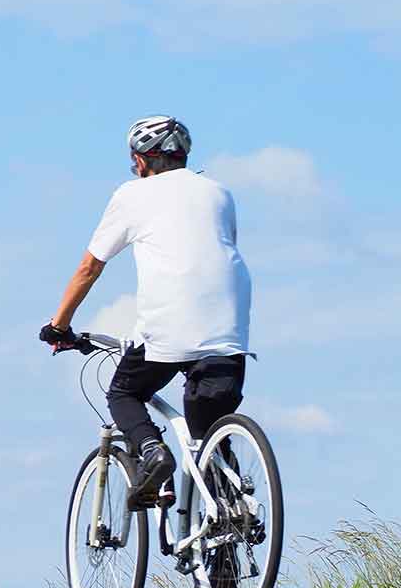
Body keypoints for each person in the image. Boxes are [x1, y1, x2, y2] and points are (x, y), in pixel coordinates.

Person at [42, 116, 252, 510]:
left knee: (125, 391)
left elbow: (90, 268)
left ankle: (154, 451)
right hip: (229, 329)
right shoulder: (220, 193)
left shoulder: (132, 195)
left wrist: (59, 326)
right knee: (206, 436)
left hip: (168, 329)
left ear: (140, 162)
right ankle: (226, 547)